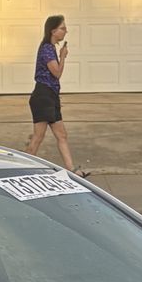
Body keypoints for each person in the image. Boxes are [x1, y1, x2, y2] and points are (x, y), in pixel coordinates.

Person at [25, 15, 88, 173]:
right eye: (63, 28)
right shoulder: (47, 49)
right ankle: (21, 168)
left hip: (50, 96)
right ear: (53, 31)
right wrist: (63, 57)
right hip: (43, 96)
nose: (66, 31)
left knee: (61, 135)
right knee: (38, 137)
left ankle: (73, 170)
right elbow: (57, 73)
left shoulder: (50, 48)